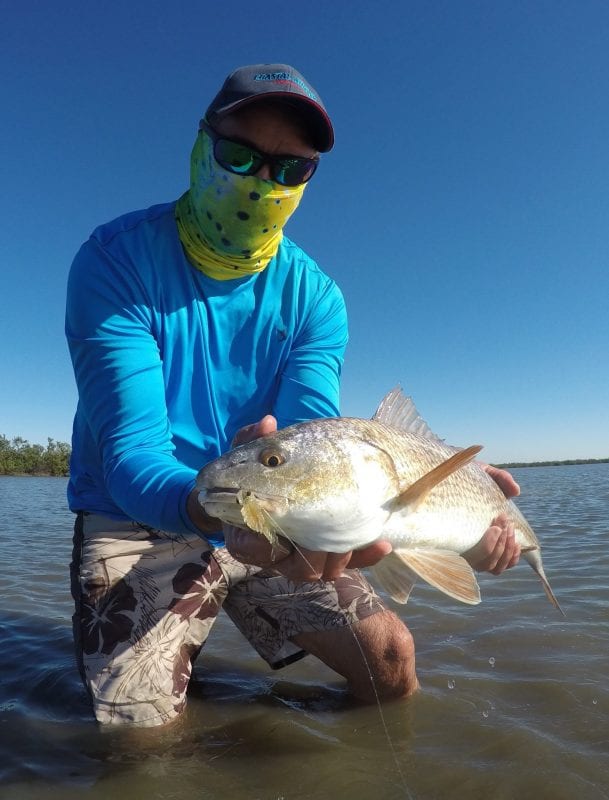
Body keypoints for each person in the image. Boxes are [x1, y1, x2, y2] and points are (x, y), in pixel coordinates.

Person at [66, 63, 521, 728]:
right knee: (138, 733)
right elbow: (130, 456)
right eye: (240, 155)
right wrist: (209, 506)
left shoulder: (316, 298)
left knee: (391, 662)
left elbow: (312, 435)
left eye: (289, 169)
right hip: (140, 510)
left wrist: (459, 531)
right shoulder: (114, 261)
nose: (261, 181)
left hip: (274, 507)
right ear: (201, 143)